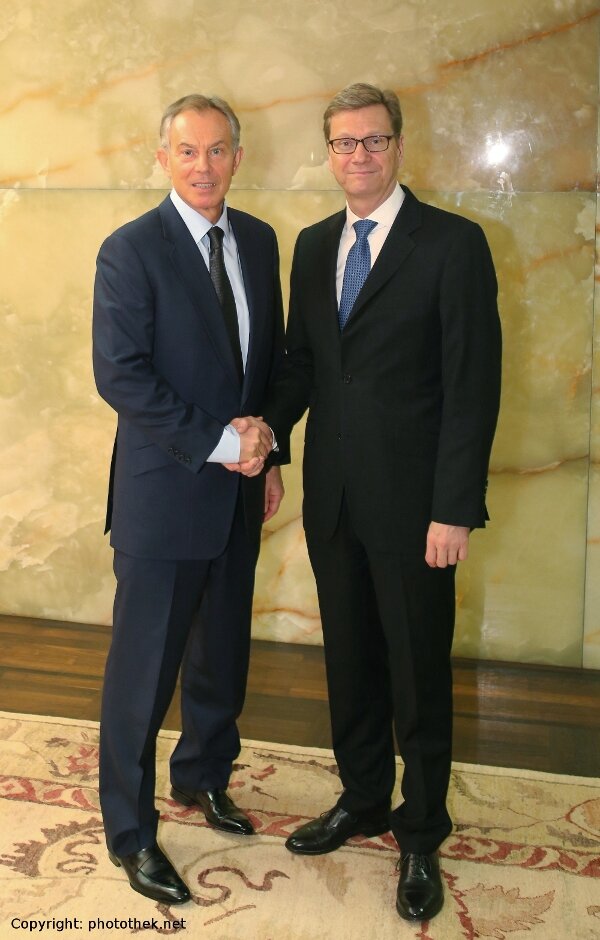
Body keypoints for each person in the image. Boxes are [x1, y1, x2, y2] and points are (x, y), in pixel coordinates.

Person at [262, 83, 501, 922]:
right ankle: (362, 797)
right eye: (343, 142)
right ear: (328, 153)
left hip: (417, 509)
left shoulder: (453, 244)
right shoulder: (313, 245)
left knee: (417, 672)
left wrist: (454, 507)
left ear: (398, 146)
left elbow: (472, 387)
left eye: (372, 140)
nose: (357, 155)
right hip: (334, 499)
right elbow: (301, 363)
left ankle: (421, 830)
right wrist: (267, 436)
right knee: (351, 662)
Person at [92, 93, 286, 904]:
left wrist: (268, 455)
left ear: (237, 157)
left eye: (216, 150)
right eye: (187, 151)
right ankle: (131, 833)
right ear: (163, 158)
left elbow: (266, 361)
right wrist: (221, 444)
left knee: (221, 657)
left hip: (238, 494)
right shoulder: (130, 249)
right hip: (164, 498)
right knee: (144, 674)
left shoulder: (259, 240)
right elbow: (121, 374)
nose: (203, 166)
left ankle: (203, 774)